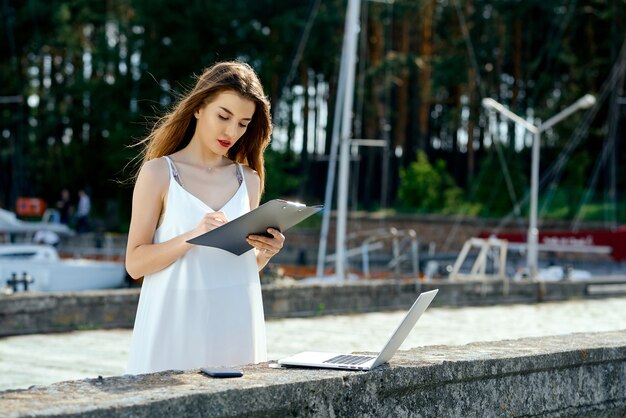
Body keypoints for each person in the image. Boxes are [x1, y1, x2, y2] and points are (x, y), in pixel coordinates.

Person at [125, 61, 284, 375]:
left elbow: (237, 265)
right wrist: (191, 237)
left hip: (236, 321)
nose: (231, 131)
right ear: (198, 108)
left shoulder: (248, 179)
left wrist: (264, 252)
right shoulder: (159, 172)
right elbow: (135, 263)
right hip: (175, 323)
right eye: (223, 116)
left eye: (243, 123)